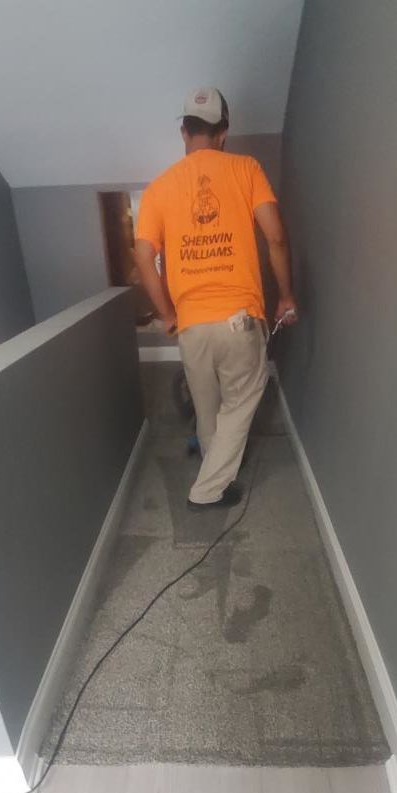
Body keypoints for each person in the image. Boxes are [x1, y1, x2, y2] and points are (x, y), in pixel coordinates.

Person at [135, 87, 298, 510]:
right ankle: (207, 490)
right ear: (223, 132)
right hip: (238, 318)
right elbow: (276, 238)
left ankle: (216, 473)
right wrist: (285, 296)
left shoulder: (158, 188)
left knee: (207, 409)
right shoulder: (246, 169)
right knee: (244, 396)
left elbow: (143, 257)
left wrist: (167, 314)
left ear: (183, 131)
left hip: (191, 325)